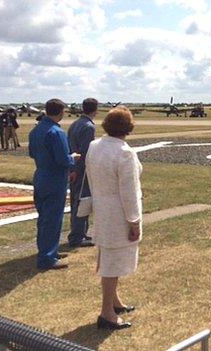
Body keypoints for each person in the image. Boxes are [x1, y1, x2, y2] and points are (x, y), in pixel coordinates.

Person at [86, 107, 142, 330]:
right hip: (118, 214)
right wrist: (134, 221)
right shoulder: (124, 153)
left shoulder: (95, 146)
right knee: (111, 263)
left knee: (109, 259)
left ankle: (114, 302)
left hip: (102, 209)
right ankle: (106, 313)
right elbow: (128, 192)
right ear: (128, 128)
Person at [29, 99, 81, 270]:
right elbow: (62, 159)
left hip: (41, 175)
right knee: (53, 218)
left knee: (44, 217)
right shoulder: (56, 132)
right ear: (60, 112)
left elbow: (31, 153)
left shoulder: (35, 130)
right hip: (55, 178)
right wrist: (73, 158)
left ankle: (49, 250)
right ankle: (47, 258)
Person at [67, 98, 98, 248]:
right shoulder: (88, 127)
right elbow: (86, 152)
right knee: (82, 201)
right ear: (95, 109)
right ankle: (77, 236)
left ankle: (81, 233)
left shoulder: (75, 124)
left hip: (74, 167)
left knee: (77, 201)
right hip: (82, 169)